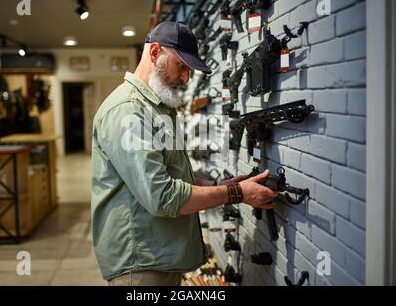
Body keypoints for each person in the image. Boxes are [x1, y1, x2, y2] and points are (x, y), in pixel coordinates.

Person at [91, 21, 278, 286]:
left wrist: (218, 187)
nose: (186, 78)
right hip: (141, 265)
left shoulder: (157, 108)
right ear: (155, 53)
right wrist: (236, 194)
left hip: (160, 255)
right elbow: (162, 196)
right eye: (181, 66)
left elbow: (172, 176)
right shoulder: (129, 111)